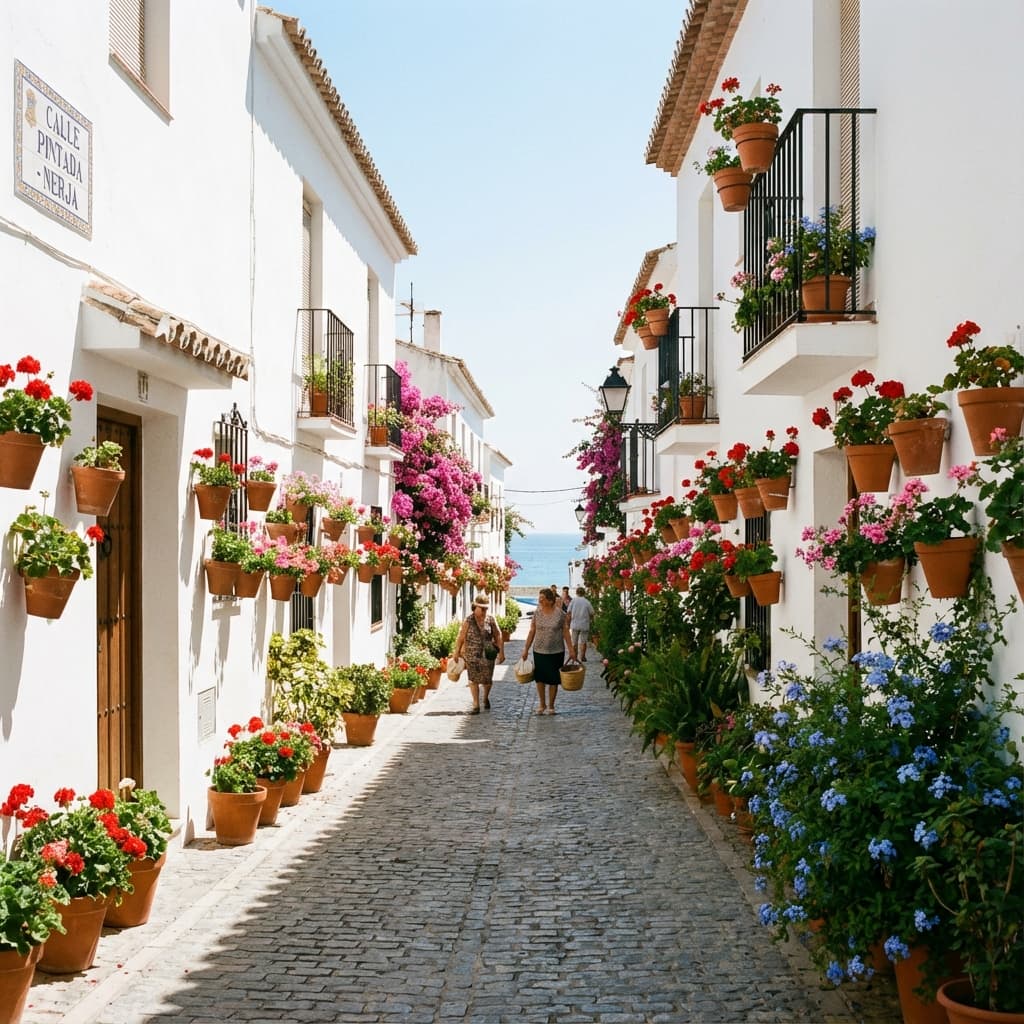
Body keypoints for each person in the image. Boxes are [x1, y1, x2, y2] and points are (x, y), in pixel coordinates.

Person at [522, 587, 575, 715]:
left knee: (553, 679)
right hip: (539, 650)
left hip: (556, 651)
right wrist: (526, 649)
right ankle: (542, 704)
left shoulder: (560, 614)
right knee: (539, 678)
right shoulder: (537, 613)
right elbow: (532, 631)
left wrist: (571, 650)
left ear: (550, 601)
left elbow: (566, 632)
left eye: (542, 598)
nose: (540, 600)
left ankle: (551, 705)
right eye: (539, 598)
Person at [453, 594, 505, 714]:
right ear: (475, 607)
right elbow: (461, 637)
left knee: (487, 679)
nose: (484, 611)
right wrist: (456, 652)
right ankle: (476, 705)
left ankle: (485, 697)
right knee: (473, 679)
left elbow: (498, 634)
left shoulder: (490, 619)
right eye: (482, 608)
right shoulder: (468, 620)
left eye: (486, 609)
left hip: (488, 651)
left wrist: (501, 652)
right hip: (472, 652)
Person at [567, 586, 595, 662]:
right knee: (583, 642)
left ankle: (575, 656)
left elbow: (568, 612)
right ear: (584, 593)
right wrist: (592, 620)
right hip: (584, 624)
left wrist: (568, 623)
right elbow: (592, 613)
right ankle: (583, 656)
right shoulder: (587, 602)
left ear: (576, 593)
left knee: (574, 642)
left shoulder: (573, 601)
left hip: (575, 624)